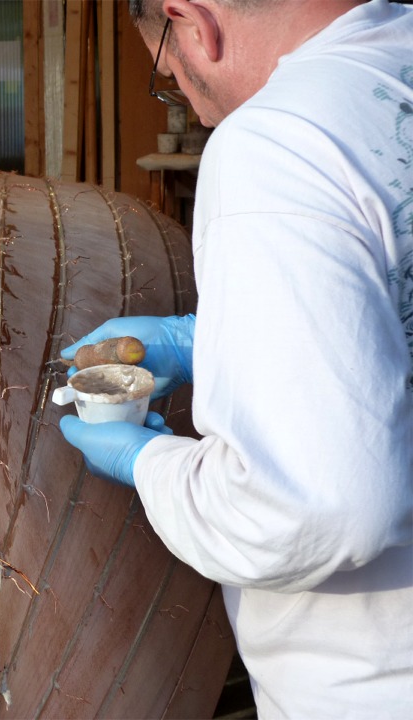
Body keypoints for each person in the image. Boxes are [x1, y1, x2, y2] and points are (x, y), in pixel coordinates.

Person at [57, 0, 412, 716]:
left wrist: (148, 464)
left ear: (194, 23)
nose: (188, 99)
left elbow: (315, 508)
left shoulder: (275, 144)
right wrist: (216, 335)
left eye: (170, 78)